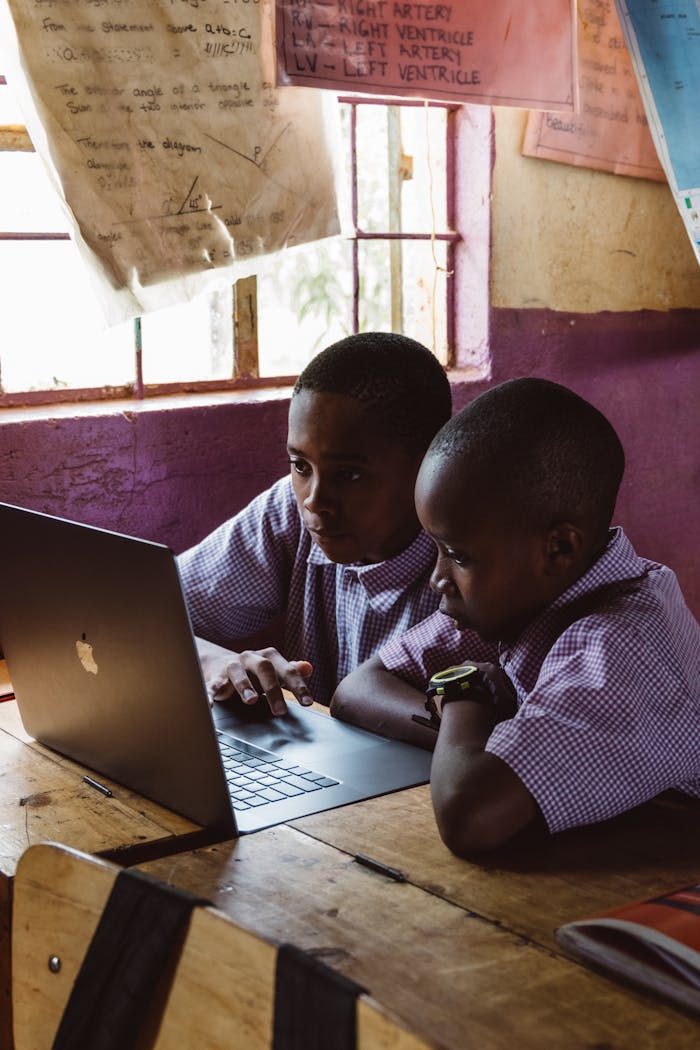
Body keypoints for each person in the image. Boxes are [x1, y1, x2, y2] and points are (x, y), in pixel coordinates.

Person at [331, 377, 700, 855]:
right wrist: (467, 741)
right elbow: (358, 691)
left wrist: (465, 695)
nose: (437, 579)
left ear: (557, 549)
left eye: (458, 555)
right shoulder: (526, 597)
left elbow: (468, 815)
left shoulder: (621, 648)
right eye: (438, 550)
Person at [178, 331, 452, 716]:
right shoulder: (291, 513)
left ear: (427, 465)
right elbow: (142, 612)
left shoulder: (470, 560)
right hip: (322, 770)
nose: (315, 500)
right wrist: (214, 661)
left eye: (350, 474)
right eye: (301, 466)